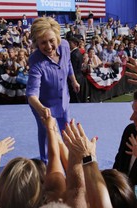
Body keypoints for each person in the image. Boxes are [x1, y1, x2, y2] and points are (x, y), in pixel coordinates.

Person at [26, 17, 80, 163]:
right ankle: (44, 161)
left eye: (51, 40)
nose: (49, 46)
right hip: (43, 105)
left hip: (63, 99)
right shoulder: (35, 61)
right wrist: (41, 108)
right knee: (46, 133)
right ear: (36, 43)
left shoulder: (65, 46)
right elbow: (31, 94)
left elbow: (68, 64)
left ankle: (68, 156)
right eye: (43, 42)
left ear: (57, 37)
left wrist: (73, 80)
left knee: (66, 128)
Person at [68, 37, 88, 103]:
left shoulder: (74, 54)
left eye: (70, 43)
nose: (69, 44)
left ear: (75, 44)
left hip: (75, 78)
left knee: (76, 99)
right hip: (79, 77)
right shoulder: (78, 52)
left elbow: (72, 68)